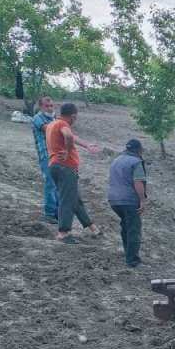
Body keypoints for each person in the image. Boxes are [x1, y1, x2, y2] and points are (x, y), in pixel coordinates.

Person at [45, 103, 102, 244]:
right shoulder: (63, 125)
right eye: (76, 117)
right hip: (65, 167)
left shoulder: (53, 124)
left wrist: (86, 145)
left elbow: (72, 137)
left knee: (74, 200)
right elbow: (69, 136)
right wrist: (69, 151)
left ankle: (92, 228)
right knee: (67, 200)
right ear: (73, 116)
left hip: (55, 166)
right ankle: (63, 233)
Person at [107, 139, 148, 267]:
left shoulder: (116, 160)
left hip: (114, 200)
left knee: (126, 226)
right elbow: (138, 182)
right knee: (133, 229)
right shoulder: (136, 162)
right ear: (138, 150)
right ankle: (133, 261)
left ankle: (128, 254)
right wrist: (142, 200)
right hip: (129, 200)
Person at [31, 96, 60, 223]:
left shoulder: (54, 119)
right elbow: (49, 130)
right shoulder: (38, 118)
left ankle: (57, 213)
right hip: (46, 155)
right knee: (50, 184)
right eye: (47, 106)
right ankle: (49, 213)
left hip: (56, 155)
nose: (49, 108)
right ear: (41, 107)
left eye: (51, 106)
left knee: (57, 185)